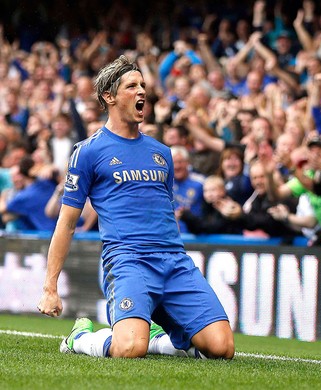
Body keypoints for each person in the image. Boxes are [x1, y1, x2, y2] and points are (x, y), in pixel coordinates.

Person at [37, 56, 234, 360]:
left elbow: (164, 210)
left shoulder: (162, 153)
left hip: (174, 261)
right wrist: (51, 287)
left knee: (221, 348)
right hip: (128, 261)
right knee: (129, 349)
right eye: (132, 86)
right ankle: (81, 337)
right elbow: (66, 223)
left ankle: (155, 333)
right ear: (109, 97)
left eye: (143, 85)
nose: (142, 91)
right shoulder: (87, 152)